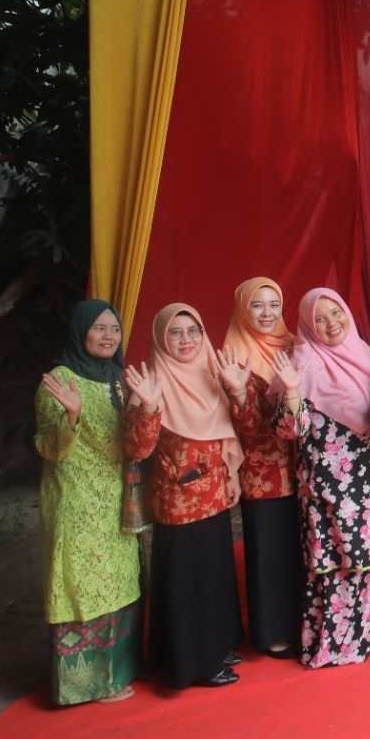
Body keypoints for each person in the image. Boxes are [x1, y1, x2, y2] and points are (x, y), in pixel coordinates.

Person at [270, 288, 370, 668]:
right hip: (327, 482)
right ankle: (339, 642)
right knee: (337, 557)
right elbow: (287, 429)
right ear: (309, 325)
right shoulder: (302, 363)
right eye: (321, 319)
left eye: (336, 313)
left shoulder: (366, 357)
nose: (332, 324)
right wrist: (293, 392)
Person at [124, 303, 245, 690]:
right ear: (161, 338)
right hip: (178, 502)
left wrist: (232, 476)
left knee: (213, 575)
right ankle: (194, 664)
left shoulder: (211, 373)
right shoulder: (153, 382)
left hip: (213, 493)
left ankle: (215, 645)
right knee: (187, 582)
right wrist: (148, 405)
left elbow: (226, 433)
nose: (186, 340)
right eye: (175, 332)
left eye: (193, 330)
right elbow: (138, 449)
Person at [35, 300, 143, 705]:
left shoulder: (120, 377)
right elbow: (50, 447)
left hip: (118, 497)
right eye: (99, 328)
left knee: (120, 579)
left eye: (114, 329)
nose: (109, 336)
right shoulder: (60, 380)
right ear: (81, 330)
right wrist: (73, 416)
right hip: (75, 499)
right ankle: (86, 684)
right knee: (82, 582)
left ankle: (121, 671)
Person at [221, 277, 301, 659]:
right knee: (269, 551)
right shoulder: (232, 355)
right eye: (257, 305)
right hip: (261, 472)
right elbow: (246, 427)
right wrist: (238, 392)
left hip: (302, 468)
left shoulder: (293, 345)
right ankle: (271, 631)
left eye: (273, 304)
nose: (267, 313)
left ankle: (303, 619)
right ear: (242, 308)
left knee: (299, 548)